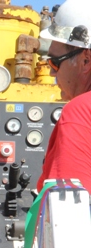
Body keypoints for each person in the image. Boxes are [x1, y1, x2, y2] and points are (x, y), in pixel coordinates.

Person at [37, 0, 91, 190]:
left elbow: (69, 212)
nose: (52, 73)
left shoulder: (82, 111)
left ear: (86, 60)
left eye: (55, 62)